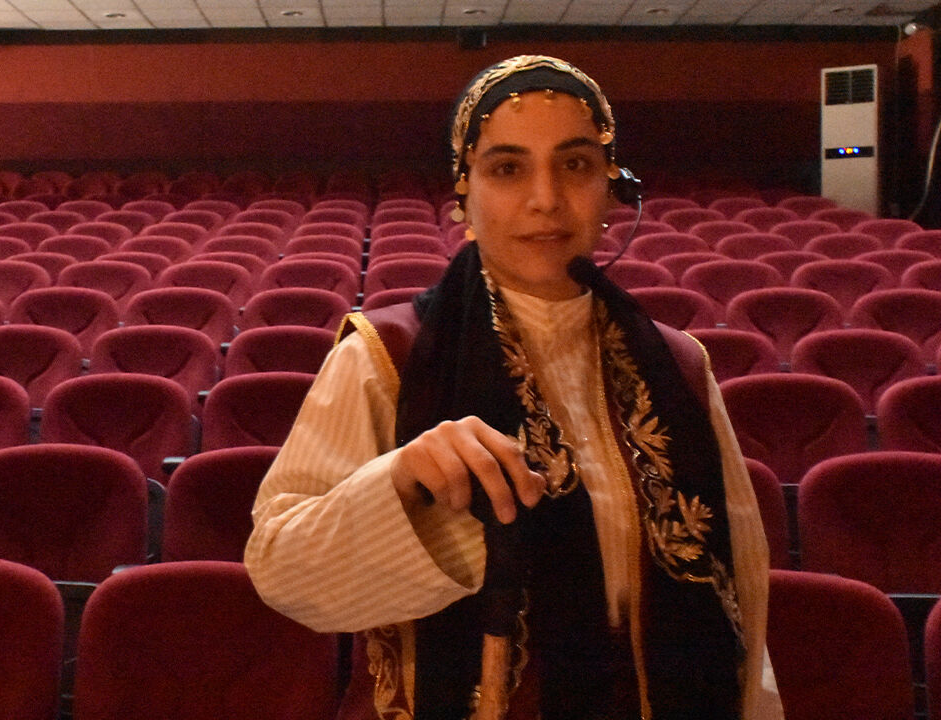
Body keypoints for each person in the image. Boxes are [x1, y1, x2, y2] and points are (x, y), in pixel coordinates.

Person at [244, 55, 784, 720]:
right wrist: (399, 479)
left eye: (576, 164)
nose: (546, 198)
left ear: (613, 188)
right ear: (464, 196)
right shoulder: (388, 356)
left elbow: (744, 589)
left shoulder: (680, 365)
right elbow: (279, 567)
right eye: (507, 169)